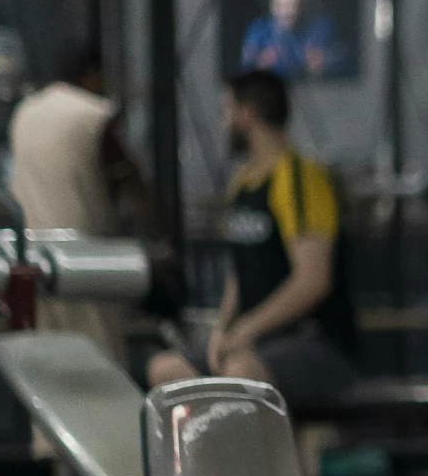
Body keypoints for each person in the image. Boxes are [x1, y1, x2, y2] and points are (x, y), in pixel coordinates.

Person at [147, 70, 356, 412]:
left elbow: (313, 279)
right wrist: (222, 328)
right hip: (261, 341)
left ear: (248, 114)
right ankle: (211, 465)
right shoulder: (243, 183)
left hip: (317, 343)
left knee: (239, 374)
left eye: (226, 110)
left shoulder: (300, 178)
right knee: (167, 370)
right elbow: (242, 272)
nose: (223, 122)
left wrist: (246, 330)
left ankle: (261, 465)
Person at [7, 39, 155, 365]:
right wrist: (154, 239)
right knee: (99, 359)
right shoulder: (93, 114)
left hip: (29, 255)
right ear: (92, 75)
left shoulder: (25, 112)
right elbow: (127, 180)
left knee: (46, 364)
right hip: (85, 260)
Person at [240, 0, 343, 81]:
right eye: (282, 5)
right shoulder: (258, 30)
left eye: (294, 4)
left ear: (304, 3)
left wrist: (325, 61)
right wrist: (260, 66)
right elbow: (245, 66)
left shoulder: (322, 27)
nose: (288, 12)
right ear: (273, 5)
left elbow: (343, 59)